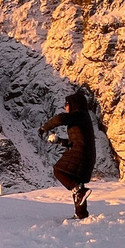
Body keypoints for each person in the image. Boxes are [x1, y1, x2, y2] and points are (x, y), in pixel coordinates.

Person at [38, 90, 96, 218]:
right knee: (77, 182)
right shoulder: (82, 118)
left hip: (81, 153)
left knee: (58, 171)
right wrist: (59, 141)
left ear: (74, 104)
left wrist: (45, 128)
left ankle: (79, 192)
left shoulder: (79, 115)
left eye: (67, 103)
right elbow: (76, 140)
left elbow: (61, 118)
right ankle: (81, 214)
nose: (65, 106)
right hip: (86, 154)